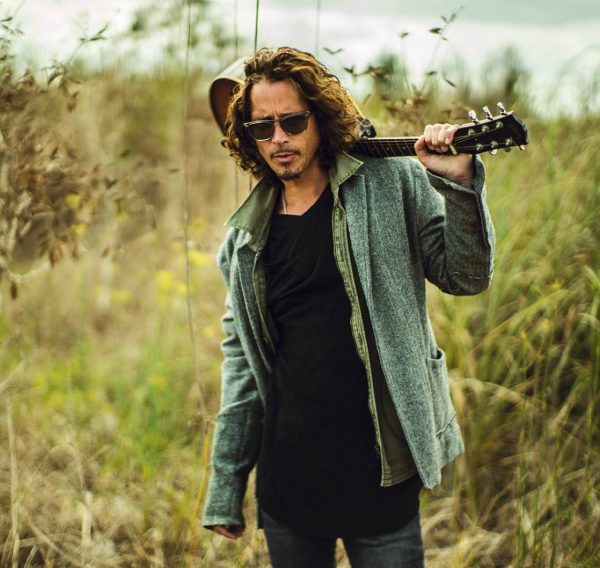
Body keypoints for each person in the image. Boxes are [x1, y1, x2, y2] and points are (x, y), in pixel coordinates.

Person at [202, 46, 495, 567]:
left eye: (292, 122)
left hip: (380, 478)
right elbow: (242, 364)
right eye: (262, 128)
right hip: (289, 486)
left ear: (320, 116)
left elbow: (466, 276)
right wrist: (227, 484)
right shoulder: (244, 241)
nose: (279, 139)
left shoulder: (391, 183)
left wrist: (459, 187)